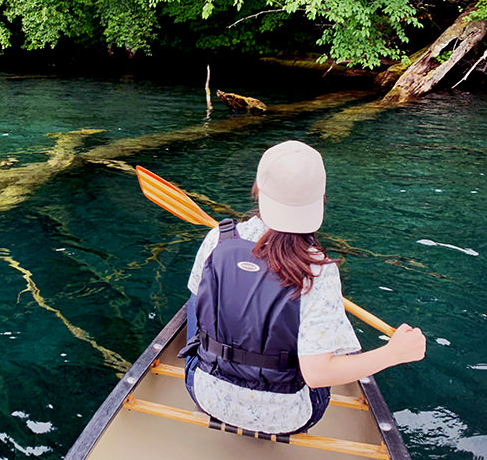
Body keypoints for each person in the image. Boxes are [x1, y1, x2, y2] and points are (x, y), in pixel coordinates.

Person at [179, 140, 426, 435]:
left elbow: (197, 316)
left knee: (197, 301)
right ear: (320, 199)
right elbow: (318, 375)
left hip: (203, 393)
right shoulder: (319, 270)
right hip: (287, 418)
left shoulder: (217, 239)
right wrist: (394, 353)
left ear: (257, 187)